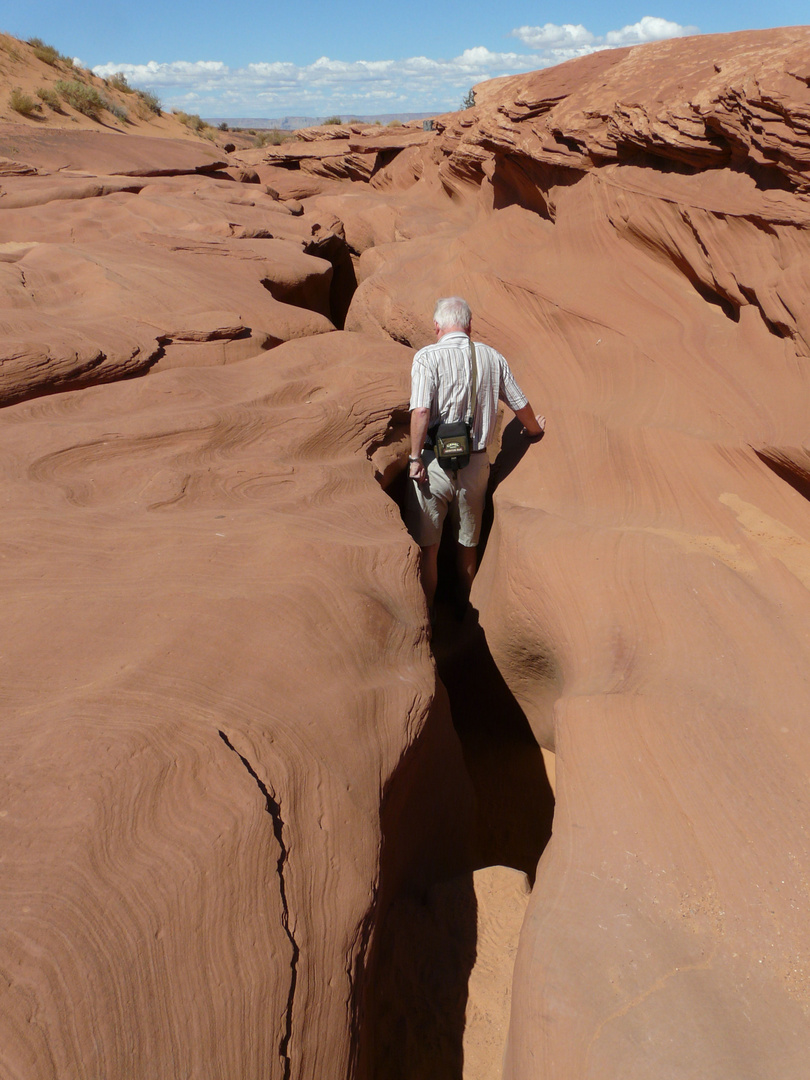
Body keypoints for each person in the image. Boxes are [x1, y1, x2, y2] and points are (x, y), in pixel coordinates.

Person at [406, 296, 545, 613]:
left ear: (437, 326)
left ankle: (428, 621)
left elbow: (422, 410)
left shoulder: (426, 357)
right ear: (469, 326)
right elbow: (518, 403)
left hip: (432, 464)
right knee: (468, 545)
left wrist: (414, 459)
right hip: (476, 463)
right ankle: (468, 614)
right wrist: (534, 430)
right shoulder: (491, 357)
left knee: (429, 549)